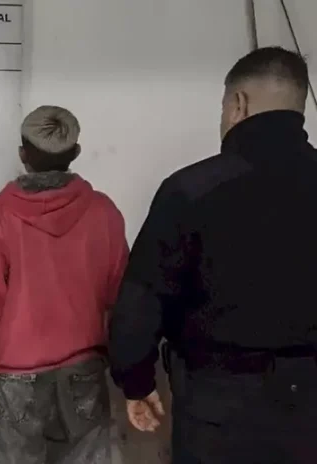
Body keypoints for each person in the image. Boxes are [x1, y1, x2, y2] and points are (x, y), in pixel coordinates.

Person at [109, 46, 317, 464]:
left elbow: (143, 298)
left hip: (218, 405)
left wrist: (136, 380)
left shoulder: (191, 189)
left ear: (238, 104)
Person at [0, 106, 129, 464]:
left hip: (16, 375)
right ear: (75, 152)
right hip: (84, 368)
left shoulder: (2, 213)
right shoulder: (103, 211)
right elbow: (121, 294)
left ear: (23, 155)